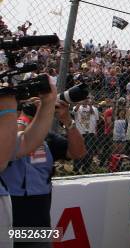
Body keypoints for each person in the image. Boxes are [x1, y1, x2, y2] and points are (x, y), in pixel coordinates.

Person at [1, 99, 86, 248]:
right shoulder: (4, 140)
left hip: (39, 224)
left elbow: (78, 152)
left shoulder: (48, 139)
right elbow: (17, 143)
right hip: (6, 224)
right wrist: (24, 118)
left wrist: (67, 121)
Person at [0, 75, 57, 248]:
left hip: (37, 212)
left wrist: (48, 102)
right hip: (16, 208)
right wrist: (9, 107)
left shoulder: (53, 140)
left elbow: (25, 141)